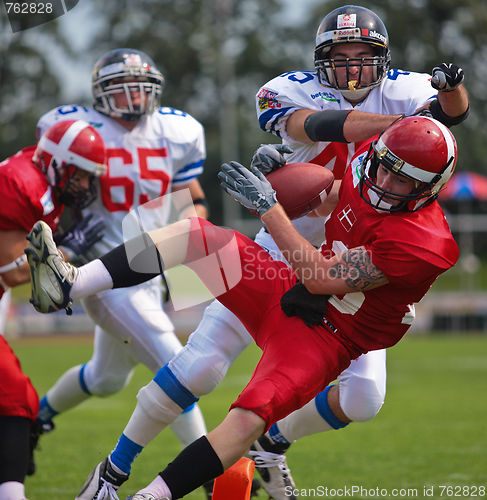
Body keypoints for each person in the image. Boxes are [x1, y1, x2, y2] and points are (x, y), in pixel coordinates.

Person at [31, 7, 470, 500]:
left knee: (364, 399)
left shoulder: (418, 225)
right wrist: (292, 171)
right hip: (276, 245)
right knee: (198, 360)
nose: (351, 66)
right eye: (339, 56)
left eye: (362, 55)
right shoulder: (289, 91)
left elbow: (451, 114)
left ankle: (269, 444)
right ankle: (111, 467)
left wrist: (443, 99)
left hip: (338, 284)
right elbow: (322, 127)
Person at [33, 47, 214, 497]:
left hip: (150, 271)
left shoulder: (178, 130)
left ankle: (36, 418)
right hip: (103, 273)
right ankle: (214, 477)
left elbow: (187, 200)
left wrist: (192, 278)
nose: (133, 99)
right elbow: (52, 187)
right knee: (181, 368)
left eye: (141, 88)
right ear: (99, 93)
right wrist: (65, 237)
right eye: (122, 89)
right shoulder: (78, 127)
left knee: (105, 378)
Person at [0, 119, 107, 500]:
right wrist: (66, 254)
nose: (85, 186)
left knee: (17, 401)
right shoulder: (22, 184)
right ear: (59, 163)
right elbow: (11, 272)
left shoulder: (41, 179)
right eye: (79, 176)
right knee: (15, 398)